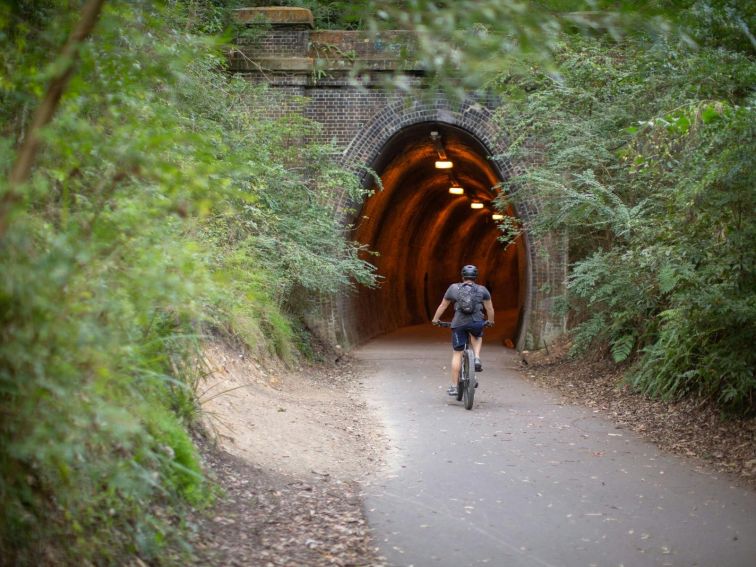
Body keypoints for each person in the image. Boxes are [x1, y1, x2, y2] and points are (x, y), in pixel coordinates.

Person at [432, 265, 495, 397]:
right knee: (477, 336)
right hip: (476, 321)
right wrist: (490, 321)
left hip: (459, 323)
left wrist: (436, 319)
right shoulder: (482, 290)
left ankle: (454, 387)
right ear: (475, 277)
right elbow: (489, 309)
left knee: (457, 353)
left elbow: (443, 305)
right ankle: (477, 358)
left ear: (462, 276)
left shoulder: (453, 288)